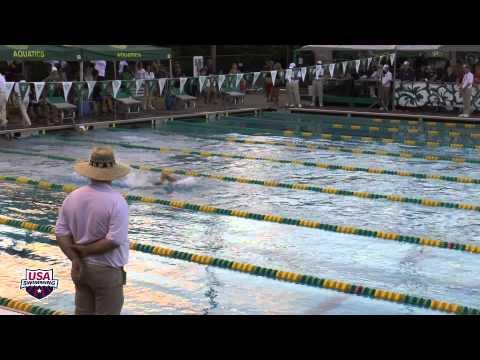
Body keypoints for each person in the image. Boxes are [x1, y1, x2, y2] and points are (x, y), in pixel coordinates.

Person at [55, 146, 130, 315]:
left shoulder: (73, 196)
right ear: (113, 172)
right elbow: (115, 240)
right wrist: (85, 251)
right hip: (107, 270)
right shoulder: (117, 201)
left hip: (80, 268)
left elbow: (61, 233)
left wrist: (75, 258)